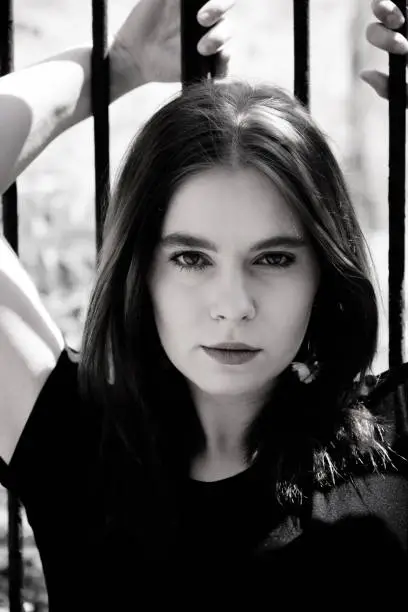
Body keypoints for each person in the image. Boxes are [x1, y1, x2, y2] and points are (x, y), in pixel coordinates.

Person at [0, 0, 407, 608]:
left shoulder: (396, 436)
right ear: (142, 272)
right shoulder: (75, 445)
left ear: (324, 272)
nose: (233, 305)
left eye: (274, 259)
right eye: (191, 258)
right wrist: (117, 67)